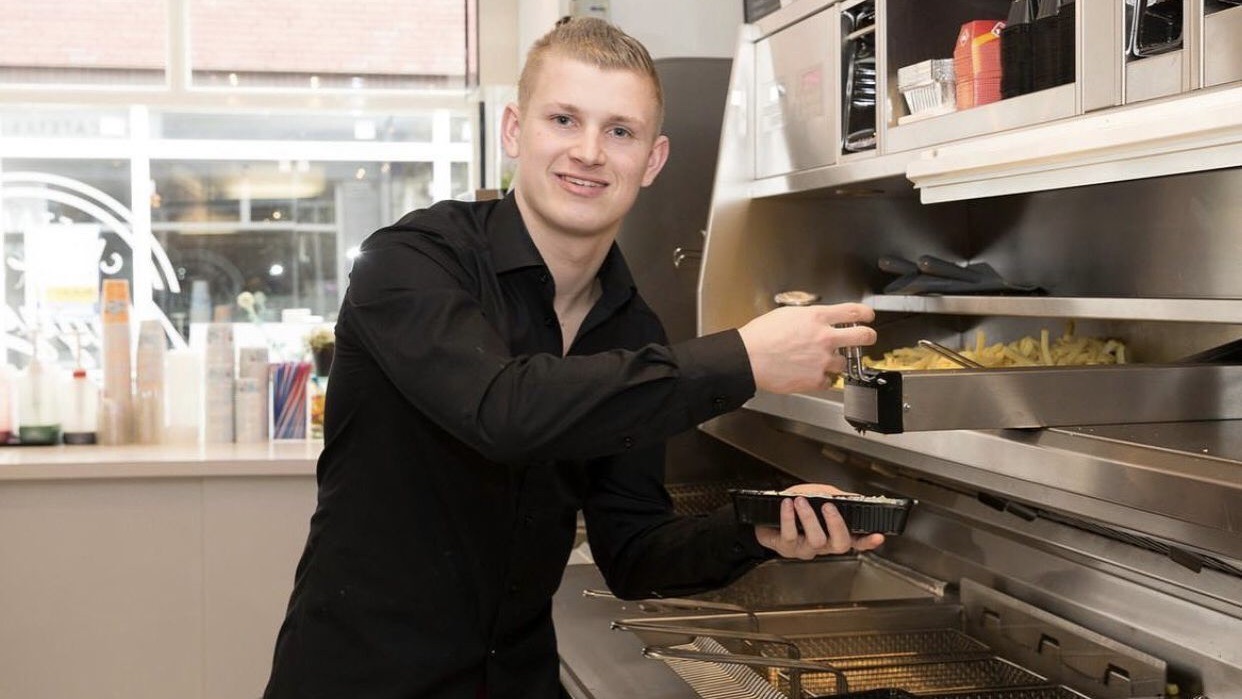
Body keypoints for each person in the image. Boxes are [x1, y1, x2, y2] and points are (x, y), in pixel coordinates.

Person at [262, 17, 880, 699]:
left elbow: (634, 551)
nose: (589, 152)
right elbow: (504, 411)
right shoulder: (411, 262)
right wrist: (743, 358)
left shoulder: (631, 329)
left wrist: (757, 526)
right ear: (514, 131)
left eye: (620, 131)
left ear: (652, 161)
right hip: (362, 679)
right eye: (563, 119)